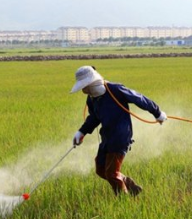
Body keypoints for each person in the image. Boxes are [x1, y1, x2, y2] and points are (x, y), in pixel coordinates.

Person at [70, 66, 167, 196]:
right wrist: (81, 132)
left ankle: (124, 200)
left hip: (120, 137)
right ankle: (128, 184)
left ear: (92, 82)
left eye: (85, 86)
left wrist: (157, 113)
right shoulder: (92, 98)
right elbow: (94, 117)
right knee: (100, 169)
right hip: (107, 137)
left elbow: (140, 99)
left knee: (112, 174)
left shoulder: (115, 90)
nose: (84, 90)